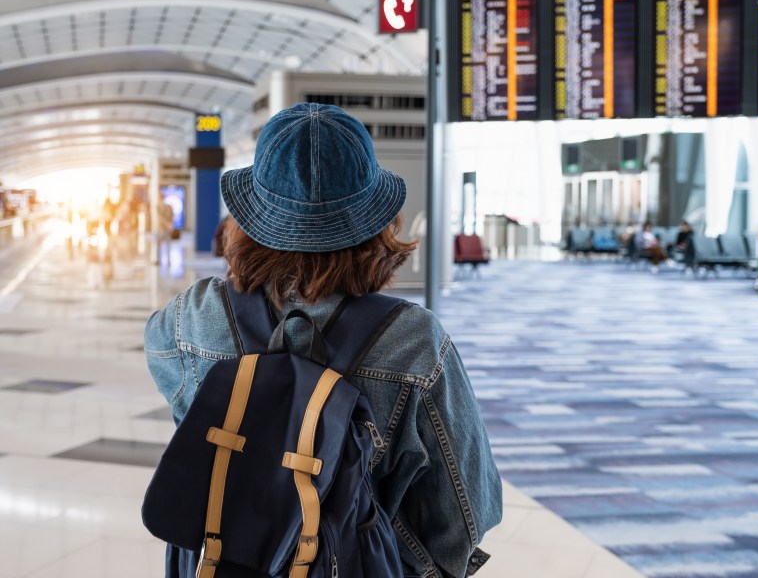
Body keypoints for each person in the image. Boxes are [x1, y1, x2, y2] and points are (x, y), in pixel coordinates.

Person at [144, 103, 502, 578]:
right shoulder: (413, 340)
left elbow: (174, 383)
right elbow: (466, 513)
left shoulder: (193, 315)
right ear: (376, 223)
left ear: (252, 218)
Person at [155, 192, 174, 265]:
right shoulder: (168, 206)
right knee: (168, 245)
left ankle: (158, 260)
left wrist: (165, 224)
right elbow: (172, 216)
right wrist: (169, 224)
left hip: (161, 229)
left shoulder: (158, 206)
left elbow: (160, 218)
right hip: (168, 228)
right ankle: (168, 261)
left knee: (159, 245)